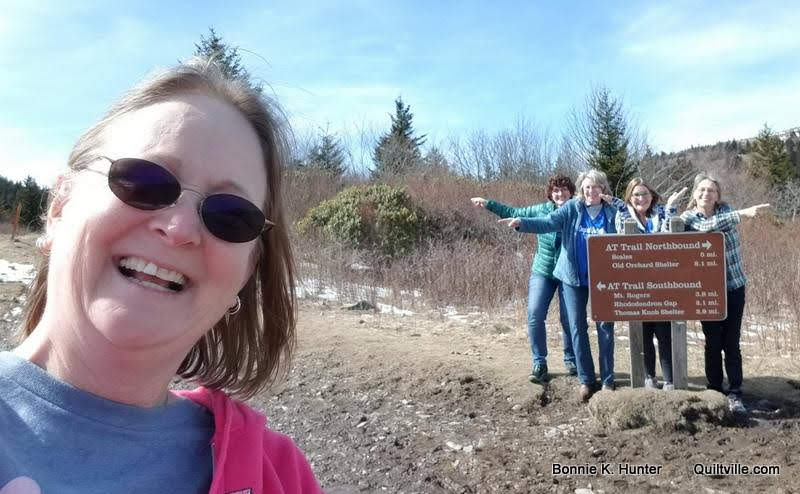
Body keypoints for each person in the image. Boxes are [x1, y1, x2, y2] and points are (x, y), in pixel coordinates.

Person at [0, 58, 322, 492]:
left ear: (247, 271)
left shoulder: (279, 475)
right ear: (59, 207)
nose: (180, 229)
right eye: (144, 180)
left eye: (230, 215)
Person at [499, 169, 618, 401]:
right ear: (581, 189)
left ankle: (607, 380)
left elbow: (630, 222)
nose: (591, 191)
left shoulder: (612, 212)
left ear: (603, 189)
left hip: (603, 278)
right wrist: (522, 223)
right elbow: (549, 222)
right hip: (572, 276)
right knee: (576, 326)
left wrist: (617, 203)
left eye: (596, 187)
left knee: (605, 327)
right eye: (587, 187)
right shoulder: (573, 207)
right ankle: (585, 380)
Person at [470, 174, 578, 383]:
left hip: (568, 272)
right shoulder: (541, 210)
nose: (560, 194)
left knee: (569, 319)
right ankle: (539, 362)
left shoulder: (576, 211)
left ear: (571, 192)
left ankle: (571, 360)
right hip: (543, 271)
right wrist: (488, 204)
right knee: (535, 315)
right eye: (556, 190)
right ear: (550, 194)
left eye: (564, 190)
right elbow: (514, 213)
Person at [681, 173, 770, 414]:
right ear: (695, 194)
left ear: (718, 195)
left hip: (734, 286)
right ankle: (714, 390)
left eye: (711, 190)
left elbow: (719, 224)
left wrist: (739, 214)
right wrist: (744, 213)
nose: (706, 194)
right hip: (706, 290)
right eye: (701, 190)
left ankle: (735, 392)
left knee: (731, 342)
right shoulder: (688, 218)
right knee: (712, 342)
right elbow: (704, 228)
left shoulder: (726, 211)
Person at [615, 178, 687, 391]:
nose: (641, 198)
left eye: (644, 194)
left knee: (664, 333)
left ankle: (669, 379)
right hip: (636, 285)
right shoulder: (623, 215)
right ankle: (648, 377)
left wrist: (671, 207)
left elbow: (671, 237)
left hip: (663, 283)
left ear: (652, 195)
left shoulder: (662, 213)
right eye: (636, 194)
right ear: (630, 197)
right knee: (643, 333)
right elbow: (627, 242)